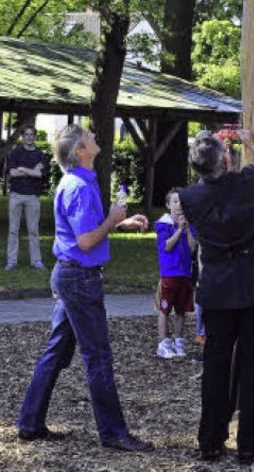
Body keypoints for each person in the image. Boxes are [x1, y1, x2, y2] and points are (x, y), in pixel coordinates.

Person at [16, 124, 153, 451]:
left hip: (72, 276)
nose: (95, 135)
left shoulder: (81, 182)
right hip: (79, 280)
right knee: (98, 357)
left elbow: (87, 230)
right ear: (80, 151)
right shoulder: (79, 187)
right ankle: (114, 433)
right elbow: (87, 240)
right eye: (89, 136)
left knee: (58, 352)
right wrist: (112, 219)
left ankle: (29, 423)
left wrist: (119, 221)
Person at [179, 128, 254, 465]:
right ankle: (248, 446)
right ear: (227, 159)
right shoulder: (252, 182)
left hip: (217, 291)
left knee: (216, 366)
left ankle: (211, 442)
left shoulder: (189, 197)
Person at [155, 187, 197, 358]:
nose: (179, 205)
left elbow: (192, 247)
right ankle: (163, 343)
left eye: (182, 202)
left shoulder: (189, 224)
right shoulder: (163, 225)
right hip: (169, 273)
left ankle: (178, 341)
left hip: (185, 273)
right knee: (164, 309)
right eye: (175, 201)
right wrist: (178, 230)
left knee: (181, 310)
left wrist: (187, 229)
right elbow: (166, 246)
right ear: (168, 205)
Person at [5, 124, 46, 270]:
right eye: (26, 134)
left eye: (31, 134)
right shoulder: (15, 152)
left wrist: (22, 169)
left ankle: (36, 261)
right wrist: (31, 171)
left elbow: (40, 174)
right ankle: (11, 261)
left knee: (33, 230)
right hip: (16, 195)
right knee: (13, 230)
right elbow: (13, 173)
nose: (29, 137)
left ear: (35, 136)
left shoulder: (39, 154)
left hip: (32, 197)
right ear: (23, 137)